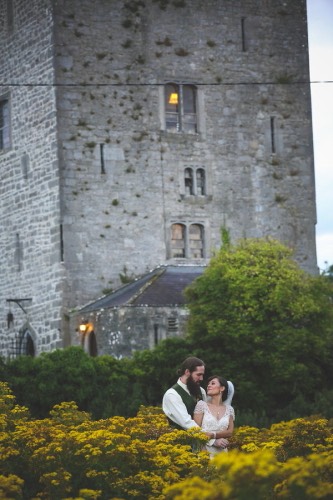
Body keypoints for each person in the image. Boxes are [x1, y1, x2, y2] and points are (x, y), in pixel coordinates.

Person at [162, 356, 208, 431]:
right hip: (181, 441)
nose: (201, 378)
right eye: (198, 375)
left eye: (202, 375)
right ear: (187, 372)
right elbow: (186, 422)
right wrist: (211, 439)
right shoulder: (172, 394)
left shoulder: (201, 391)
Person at [193, 375, 235, 457]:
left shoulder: (229, 409)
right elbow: (195, 431)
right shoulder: (202, 405)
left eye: (213, 383)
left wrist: (213, 435)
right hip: (204, 450)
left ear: (222, 388)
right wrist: (213, 441)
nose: (209, 386)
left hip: (222, 453)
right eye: (208, 384)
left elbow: (230, 432)